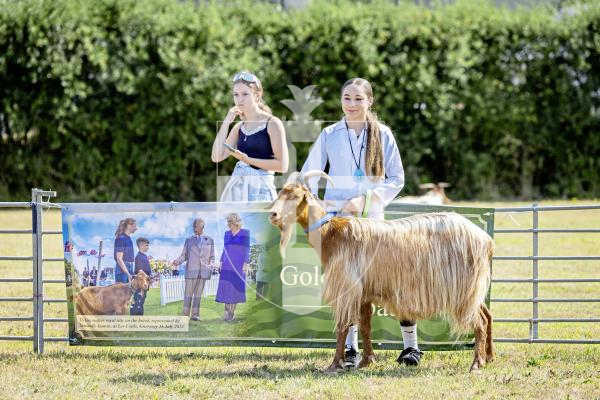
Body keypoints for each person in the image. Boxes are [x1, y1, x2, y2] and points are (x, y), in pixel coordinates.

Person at [301, 78, 422, 368]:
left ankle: (411, 347)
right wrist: (320, 205)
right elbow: (308, 175)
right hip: (339, 227)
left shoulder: (383, 134)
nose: (352, 104)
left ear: (370, 101)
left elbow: (397, 179)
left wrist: (365, 201)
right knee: (347, 287)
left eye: (358, 98)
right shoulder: (329, 134)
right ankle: (352, 349)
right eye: (346, 98)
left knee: (395, 283)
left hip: (374, 227)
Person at [211, 71, 288, 202]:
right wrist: (227, 121)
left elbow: (283, 165)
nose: (239, 99)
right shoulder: (238, 127)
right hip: (238, 195)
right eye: (236, 95)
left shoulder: (272, 123)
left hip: (262, 195)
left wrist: (247, 160)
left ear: (257, 96)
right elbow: (216, 157)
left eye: (245, 94)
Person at [172, 218, 215, 321]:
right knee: (188, 295)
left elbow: (212, 257)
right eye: (193, 226)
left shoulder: (210, 240)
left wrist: (211, 264)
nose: (194, 228)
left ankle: (195, 315)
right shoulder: (189, 240)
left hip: (203, 272)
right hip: (191, 271)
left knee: (198, 295)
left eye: (196, 226)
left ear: (202, 226)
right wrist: (178, 261)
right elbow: (184, 255)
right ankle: (185, 315)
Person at [215, 213, 250, 321]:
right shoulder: (227, 234)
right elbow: (224, 249)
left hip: (239, 265)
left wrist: (246, 263)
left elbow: (247, 249)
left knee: (235, 288)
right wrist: (221, 261)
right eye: (228, 222)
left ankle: (231, 313)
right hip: (227, 264)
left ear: (237, 222)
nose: (229, 224)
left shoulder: (245, 233)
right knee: (226, 288)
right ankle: (226, 312)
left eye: (231, 222)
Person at [130, 237, 152, 315]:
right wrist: (148, 277)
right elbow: (140, 271)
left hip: (144, 283)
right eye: (146, 245)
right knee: (137, 301)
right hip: (140, 284)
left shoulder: (144, 256)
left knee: (141, 301)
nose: (148, 247)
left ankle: (139, 317)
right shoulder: (138, 257)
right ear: (141, 246)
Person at [114, 218, 137, 283]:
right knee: (121, 293)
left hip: (129, 267)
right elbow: (119, 259)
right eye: (135, 226)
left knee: (129, 292)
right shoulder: (121, 238)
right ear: (129, 226)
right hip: (122, 270)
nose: (136, 228)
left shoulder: (129, 239)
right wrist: (128, 274)